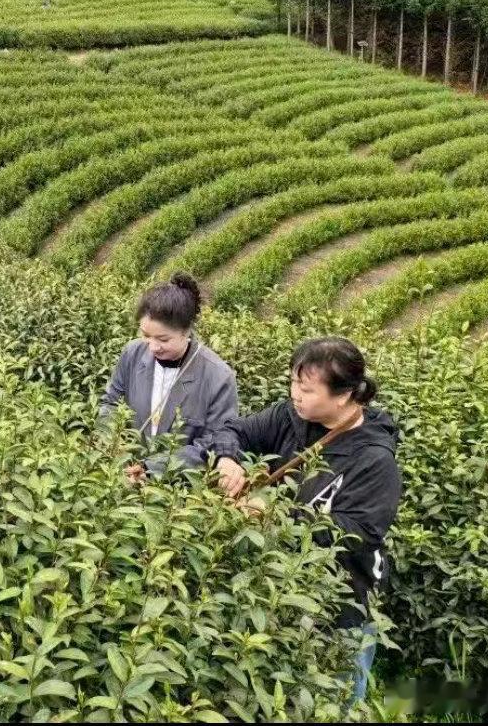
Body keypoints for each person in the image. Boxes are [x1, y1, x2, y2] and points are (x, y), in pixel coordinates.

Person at [214, 336, 402, 708]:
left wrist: (276, 514)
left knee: (334, 698)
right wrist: (228, 458)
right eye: (293, 384)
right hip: (277, 585)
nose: (295, 395)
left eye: (306, 389)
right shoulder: (290, 415)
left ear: (344, 396)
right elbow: (233, 430)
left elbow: (359, 533)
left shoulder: (375, 459)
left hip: (340, 600)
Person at [98, 273, 240, 483]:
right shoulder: (132, 354)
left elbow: (215, 441)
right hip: (123, 474)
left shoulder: (218, 377)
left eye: (163, 339)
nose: (153, 346)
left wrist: (153, 469)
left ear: (186, 332)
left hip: (177, 488)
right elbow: (111, 402)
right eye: (146, 335)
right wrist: (112, 440)